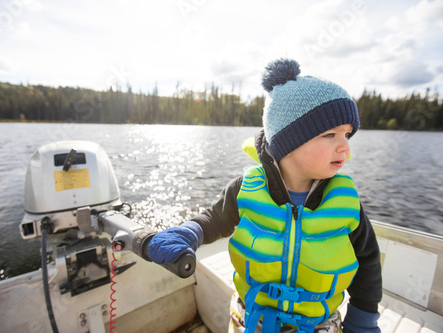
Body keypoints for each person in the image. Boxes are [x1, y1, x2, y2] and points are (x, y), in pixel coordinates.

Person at [147, 58, 382, 333]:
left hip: (318, 325)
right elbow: (213, 219)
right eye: (330, 134)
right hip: (253, 321)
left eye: (348, 135)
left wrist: (363, 321)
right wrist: (186, 233)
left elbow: (367, 261)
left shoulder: (345, 202)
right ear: (289, 142)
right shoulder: (247, 188)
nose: (345, 149)